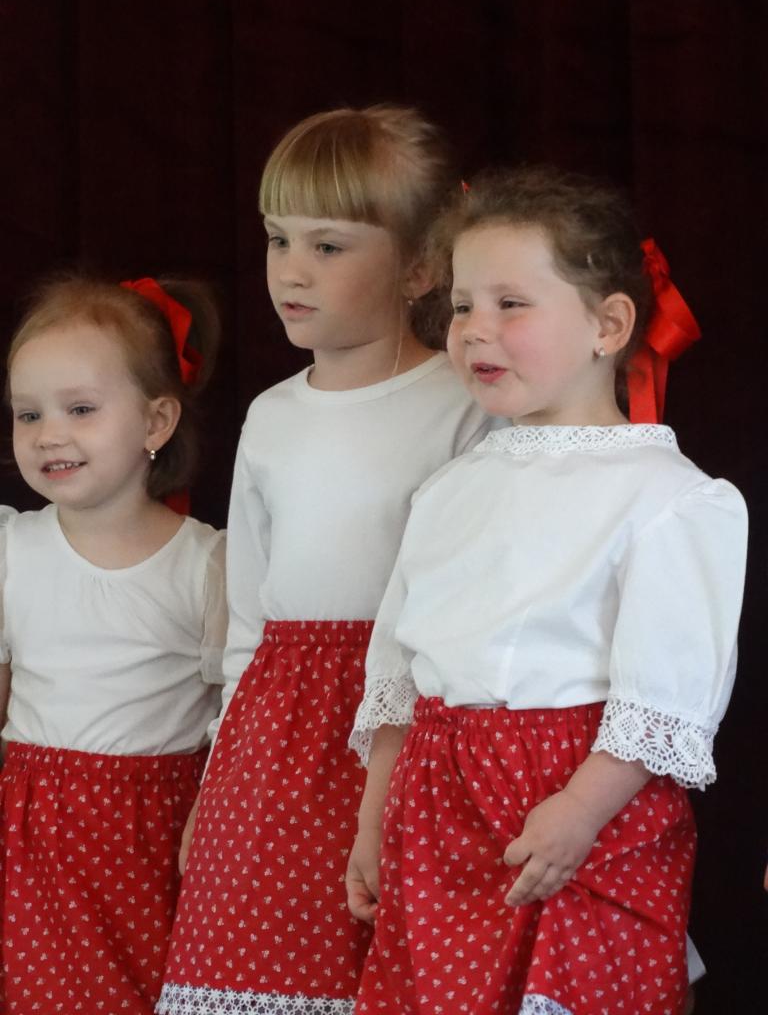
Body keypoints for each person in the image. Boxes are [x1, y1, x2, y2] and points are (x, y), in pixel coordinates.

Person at [347, 165, 748, 1014]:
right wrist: (373, 820)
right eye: (462, 305)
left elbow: (664, 700)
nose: (475, 330)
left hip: (578, 819)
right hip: (438, 820)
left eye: (511, 304)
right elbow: (399, 678)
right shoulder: (449, 490)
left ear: (609, 325)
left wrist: (578, 811)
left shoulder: (668, 498)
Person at [158, 105, 496, 1015]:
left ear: (419, 266)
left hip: (410, 727)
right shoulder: (270, 417)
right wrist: (216, 786)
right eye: (278, 239)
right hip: (276, 740)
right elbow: (249, 625)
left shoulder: (465, 405)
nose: (291, 271)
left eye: (329, 246)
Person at [0, 275, 226, 1014]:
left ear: (157, 420)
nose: (48, 434)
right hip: (31, 836)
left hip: (156, 836)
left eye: (80, 409)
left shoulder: (208, 563)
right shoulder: (11, 548)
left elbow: (233, 717)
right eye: (28, 413)